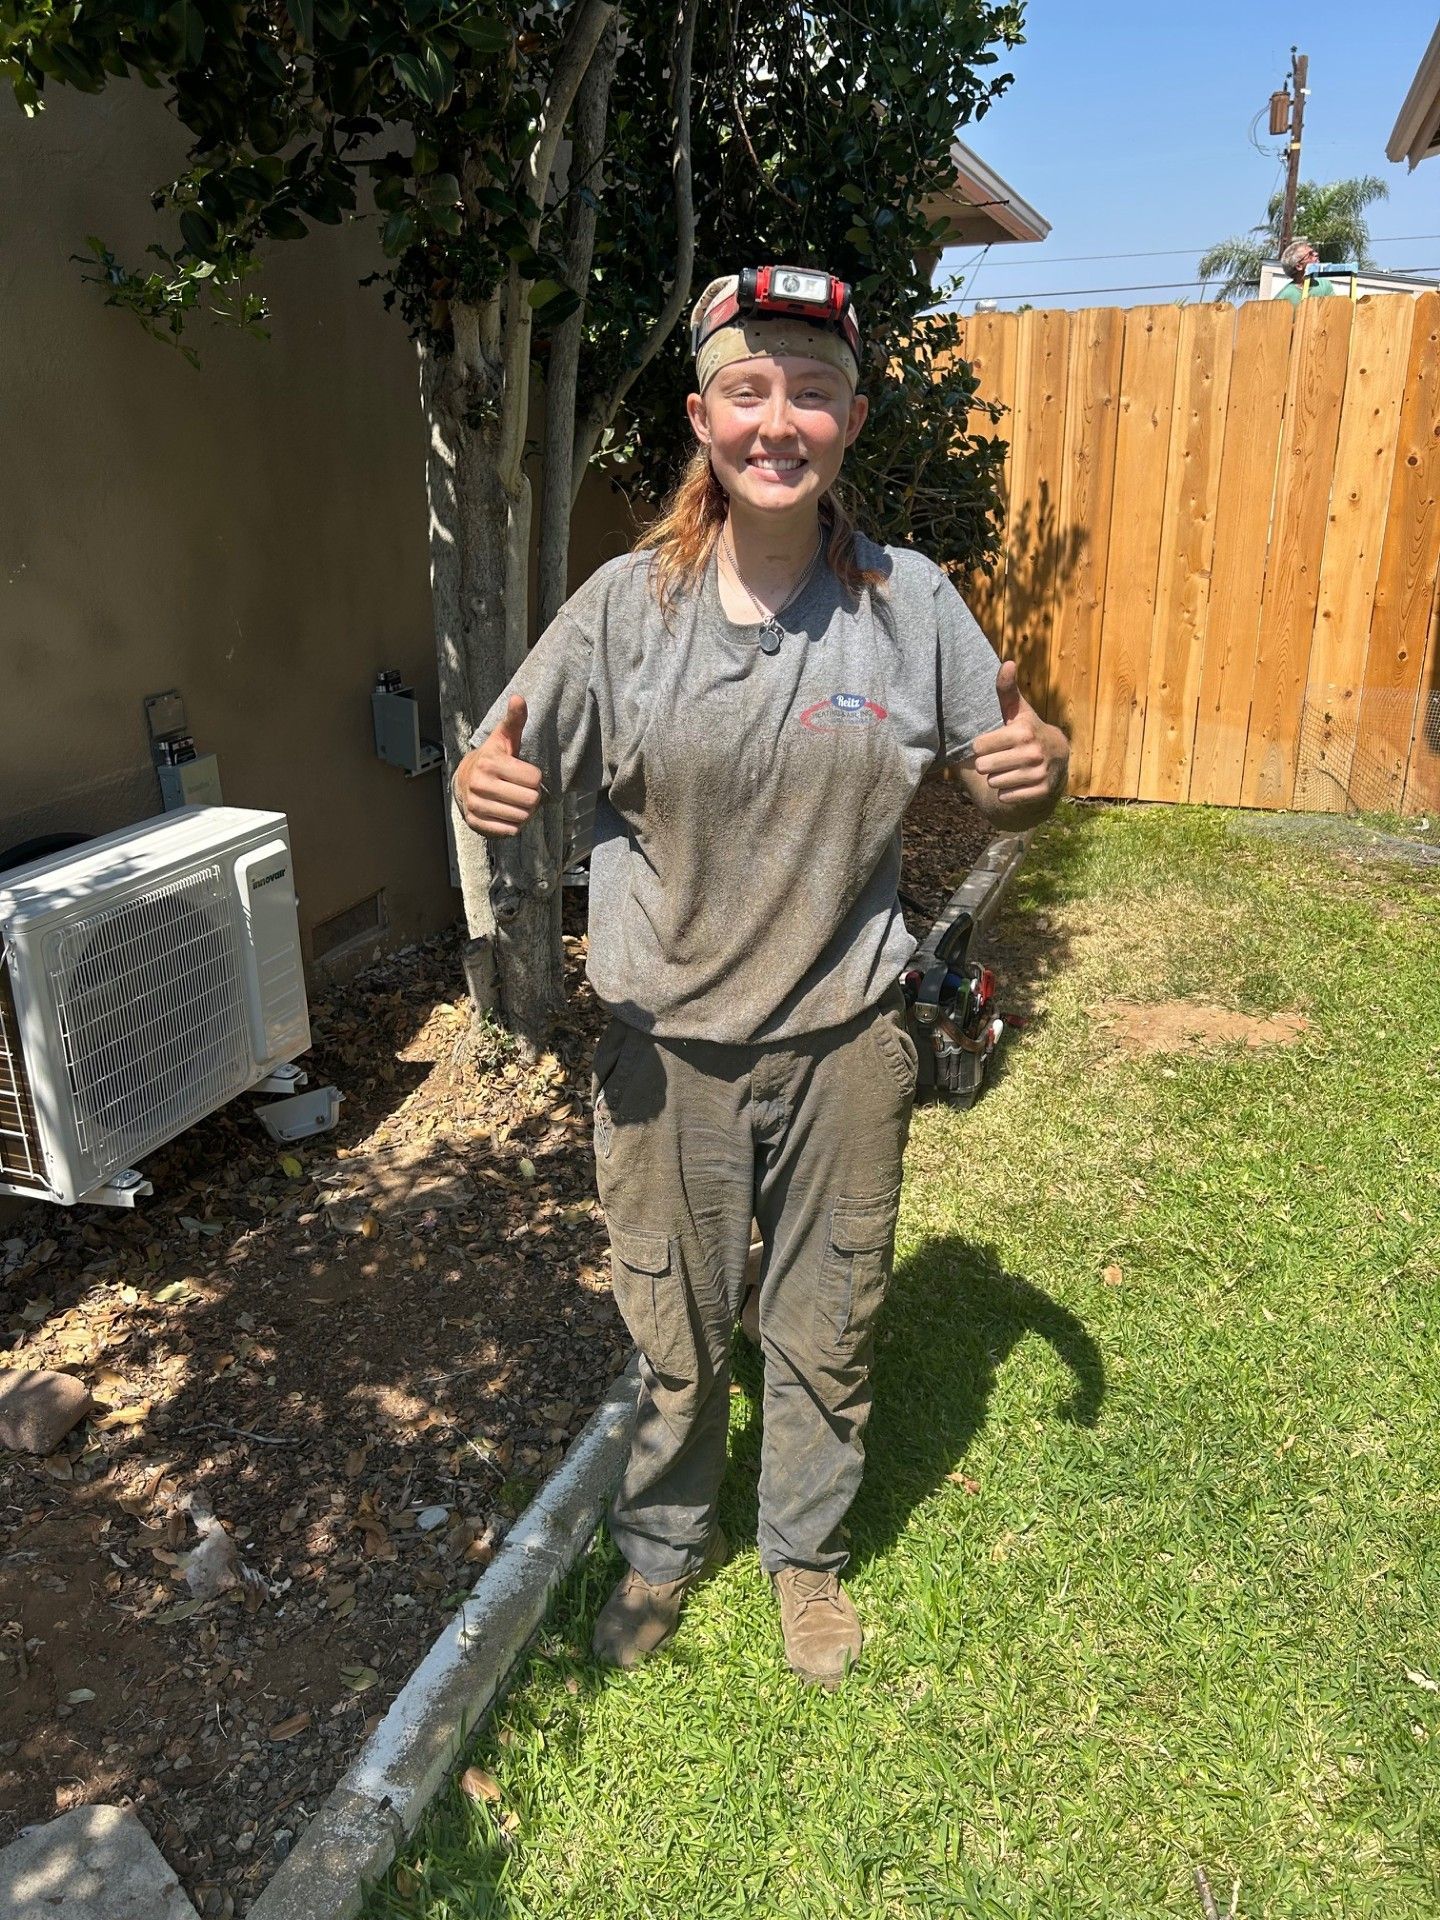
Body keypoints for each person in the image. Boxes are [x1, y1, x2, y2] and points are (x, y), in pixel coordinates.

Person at [453, 267, 1069, 1688]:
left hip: (848, 1036)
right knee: (671, 1327)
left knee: (826, 1315)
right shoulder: (623, 609)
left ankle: (804, 1553)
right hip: (664, 1045)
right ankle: (666, 1547)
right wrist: (489, 785)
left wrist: (1038, 780)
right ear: (702, 417)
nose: (777, 419)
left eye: (810, 391)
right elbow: (511, 755)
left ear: (850, 418)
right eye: (749, 389)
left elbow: (1015, 772)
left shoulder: (910, 606)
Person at [1273, 237, 1338, 303]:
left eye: (1314, 252)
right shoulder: (1283, 298)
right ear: (1299, 266)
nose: (1316, 254)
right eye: (1310, 254)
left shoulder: (1324, 285)